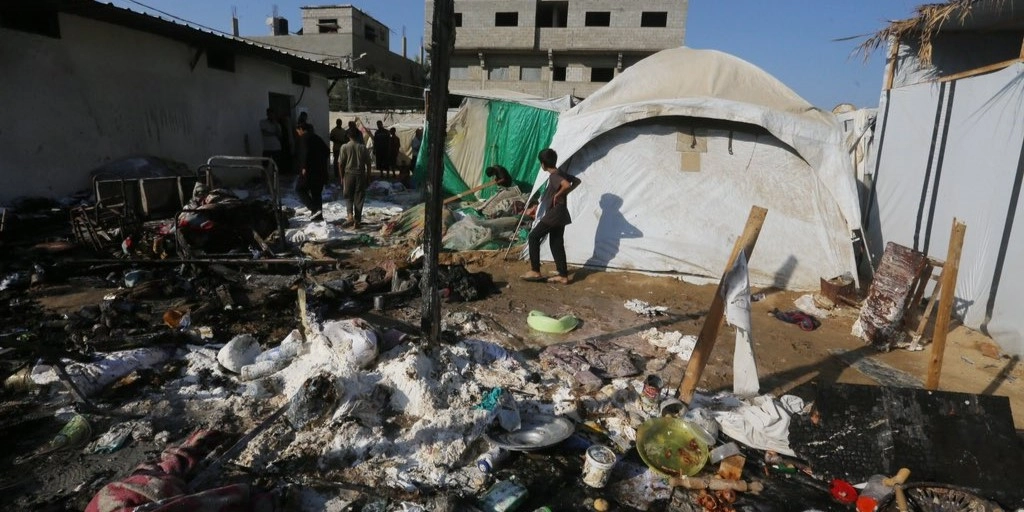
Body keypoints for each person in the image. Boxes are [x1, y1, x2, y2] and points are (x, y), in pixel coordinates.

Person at [521, 148, 581, 285]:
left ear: (543, 164)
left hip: (555, 213)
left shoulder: (554, 176)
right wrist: (563, 193)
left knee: (534, 236)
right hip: (561, 213)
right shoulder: (560, 172)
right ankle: (563, 275)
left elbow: (565, 185)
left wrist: (559, 194)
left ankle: (535, 271)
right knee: (556, 243)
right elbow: (576, 181)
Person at [294, 122, 329, 221]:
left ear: (301, 129)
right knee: (316, 193)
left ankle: (314, 209)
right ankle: (318, 216)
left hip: (309, 171)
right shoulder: (317, 138)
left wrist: (304, 166)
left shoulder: (304, 138)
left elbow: (304, 152)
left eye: (297, 131)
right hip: (321, 171)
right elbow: (326, 151)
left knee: (300, 189)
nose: (298, 134)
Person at [337, 127, 372, 228]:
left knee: (348, 196)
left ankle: (350, 216)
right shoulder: (362, 147)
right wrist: (368, 177)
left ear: (348, 136)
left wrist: (341, 177)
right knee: (359, 197)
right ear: (357, 135)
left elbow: (340, 164)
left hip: (348, 174)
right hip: (360, 175)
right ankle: (357, 220)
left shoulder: (344, 147)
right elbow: (368, 164)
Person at [259, 108, 284, 173]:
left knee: (276, 166)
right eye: (270, 114)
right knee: (264, 165)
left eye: (273, 114)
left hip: (276, 148)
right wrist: (274, 133)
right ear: (267, 114)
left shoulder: (277, 124)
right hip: (267, 148)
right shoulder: (263, 122)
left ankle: (275, 180)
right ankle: (264, 180)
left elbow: (280, 135)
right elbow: (264, 133)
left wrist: (275, 124)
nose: (271, 115)